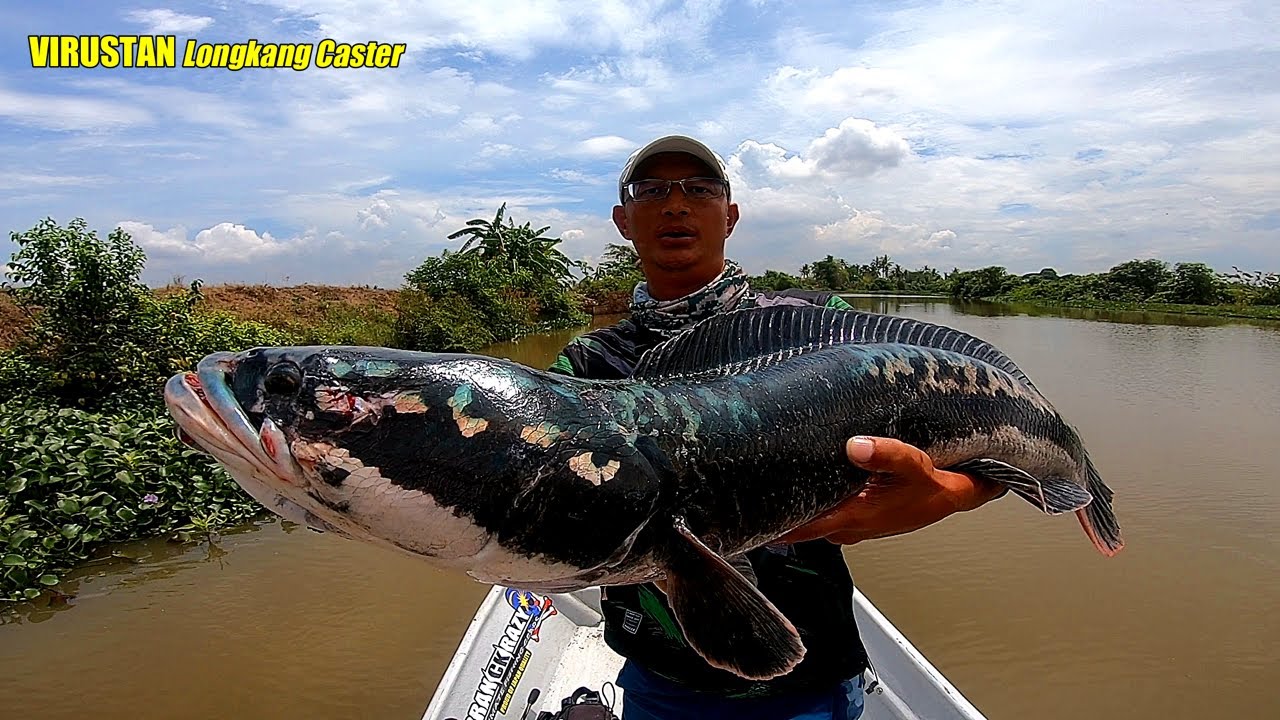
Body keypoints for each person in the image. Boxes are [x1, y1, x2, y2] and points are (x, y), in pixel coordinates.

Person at [547, 135, 1005, 720]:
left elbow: (991, 442)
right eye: (651, 190)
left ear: (730, 216)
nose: (676, 204)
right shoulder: (587, 367)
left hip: (811, 680)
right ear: (623, 220)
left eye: (700, 188)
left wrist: (949, 497)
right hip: (660, 678)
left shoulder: (820, 329)